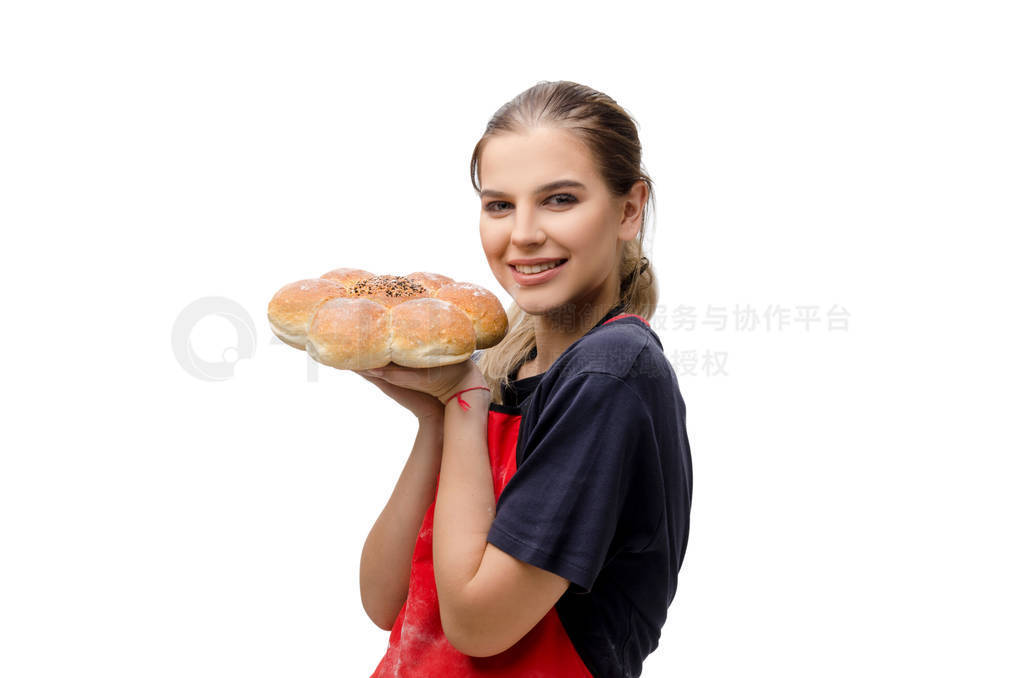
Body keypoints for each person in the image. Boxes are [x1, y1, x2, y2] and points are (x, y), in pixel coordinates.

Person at [355, 80, 693, 678]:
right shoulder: (502, 367)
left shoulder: (611, 372)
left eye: (560, 199)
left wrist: (462, 400)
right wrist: (438, 415)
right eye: (499, 204)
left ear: (629, 208)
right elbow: (385, 601)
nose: (523, 234)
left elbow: (478, 626)